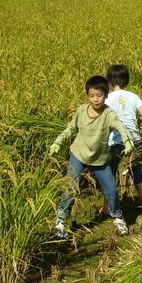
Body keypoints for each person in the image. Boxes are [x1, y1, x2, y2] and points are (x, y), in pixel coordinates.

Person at [50, 75, 134, 237]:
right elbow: (71, 129)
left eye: (99, 95)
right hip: (79, 154)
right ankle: (60, 221)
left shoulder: (108, 114)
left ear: (106, 95)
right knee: (71, 187)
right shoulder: (82, 110)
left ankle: (118, 218)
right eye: (91, 96)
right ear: (88, 95)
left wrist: (127, 139)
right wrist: (58, 142)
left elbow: (120, 126)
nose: (95, 99)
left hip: (100, 159)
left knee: (111, 190)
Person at [105, 64, 142, 208]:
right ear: (126, 81)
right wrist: (135, 119)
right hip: (134, 140)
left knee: (110, 171)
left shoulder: (107, 98)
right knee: (136, 167)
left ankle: (108, 207)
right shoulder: (133, 96)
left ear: (109, 82)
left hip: (116, 141)